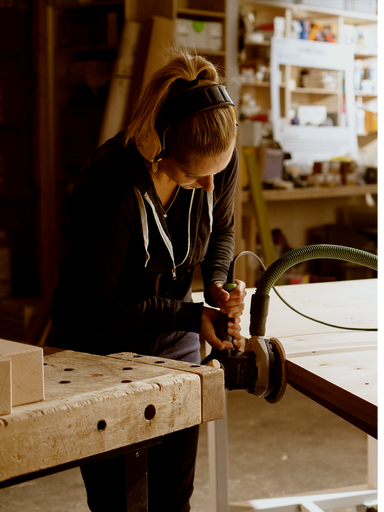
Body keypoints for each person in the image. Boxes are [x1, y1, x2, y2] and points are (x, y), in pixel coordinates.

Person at [51, 47, 245, 512]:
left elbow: (221, 229)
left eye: (217, 173)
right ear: (158, 146)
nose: (209, 186)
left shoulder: (213, 161)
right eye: (193, 175)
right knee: (118, 500)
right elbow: (94, 304)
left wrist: (217, 282)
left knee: (173, 497)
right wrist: (191, 316)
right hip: (101, 347)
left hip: (175, 337)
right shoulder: (110, 186)